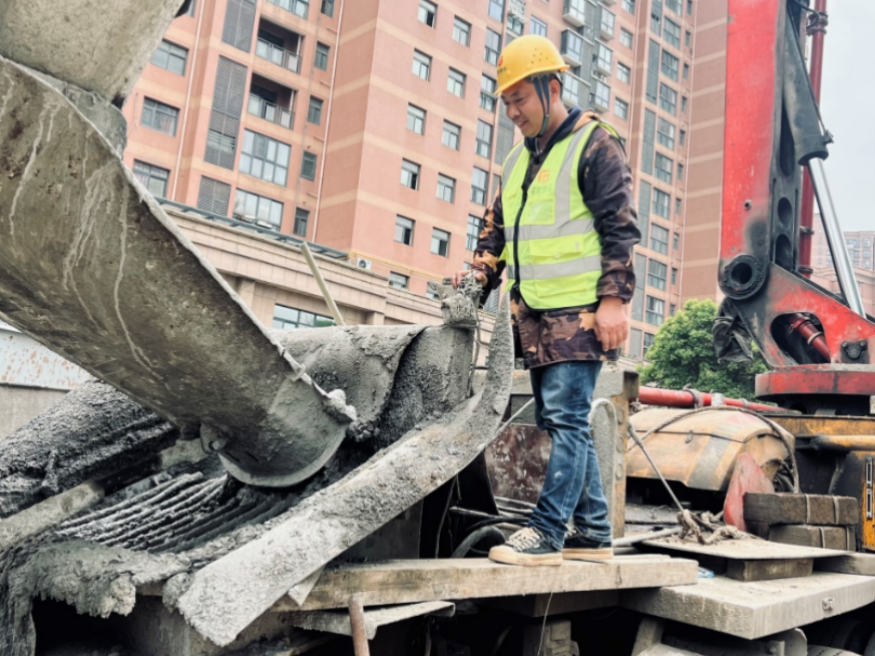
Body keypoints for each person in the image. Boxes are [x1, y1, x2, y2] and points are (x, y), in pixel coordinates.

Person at [452, 35, 640, 566]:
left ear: (551, 88)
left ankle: (548, 532)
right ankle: (594, 532)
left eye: (520, 99)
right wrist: (476, 282)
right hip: (533, 317)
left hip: (581, 315)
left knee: (565, 420)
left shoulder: (594, 144)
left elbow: (620, 227)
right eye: (506, 102)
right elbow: (496, 231)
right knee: (561, 421)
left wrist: (614, 300)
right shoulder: (516, 161)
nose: (513, 112)